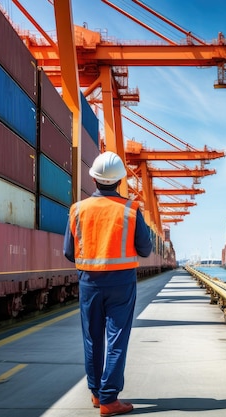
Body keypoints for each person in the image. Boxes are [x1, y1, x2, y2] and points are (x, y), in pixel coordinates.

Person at [64, 151, 152, 416]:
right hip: (122, 283)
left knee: (92, 338)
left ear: (93, 179)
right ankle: (109, 399)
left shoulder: (77, 209)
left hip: (89, 282)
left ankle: (95, 393)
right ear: (120, 181)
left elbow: (69, 252)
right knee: (116, 340)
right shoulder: (131, 209)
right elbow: (146, 250)